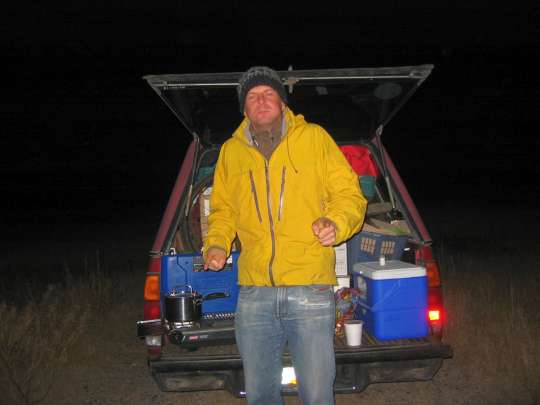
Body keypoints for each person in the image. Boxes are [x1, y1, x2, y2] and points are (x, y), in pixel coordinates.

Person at [203, 66, 367, 405]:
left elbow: (349, 194)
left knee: (318, 394)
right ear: (244, 108)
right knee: (260, 395)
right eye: (252, 96)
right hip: (254, 293)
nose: (261, 101)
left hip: (310, 288)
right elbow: (222, 211)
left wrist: (336, 222)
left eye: (268, 94)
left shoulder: (315, 139)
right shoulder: (231, 153)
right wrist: (217, 244)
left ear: (282, 101)